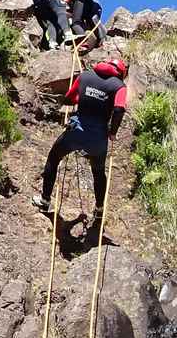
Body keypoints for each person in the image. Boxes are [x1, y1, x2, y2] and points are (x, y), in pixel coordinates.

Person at [32, 58, 129, 234]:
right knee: (98, 172)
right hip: (98, 138)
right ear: (121, 73)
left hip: (76, 132)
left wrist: (83, 98)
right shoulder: (119, 87)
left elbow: (70, 98)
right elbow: (119, 109)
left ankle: (45, 200)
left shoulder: (85, 76)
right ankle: (99, 211)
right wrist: (113, 131)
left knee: (54, 158)